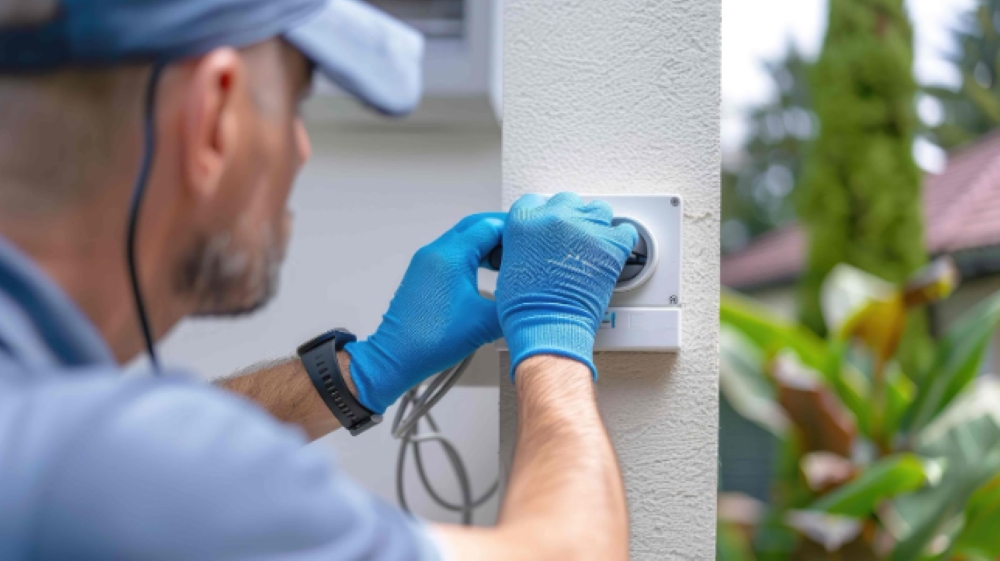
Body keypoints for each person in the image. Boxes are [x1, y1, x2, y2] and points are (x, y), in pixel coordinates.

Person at [0, 1, 638, 560]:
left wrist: (365, 370)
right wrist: (554, 332)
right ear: (215, 112)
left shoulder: (47, 444)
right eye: (297, 101)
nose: (300, 148)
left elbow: (119, 470)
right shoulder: (95, 475)